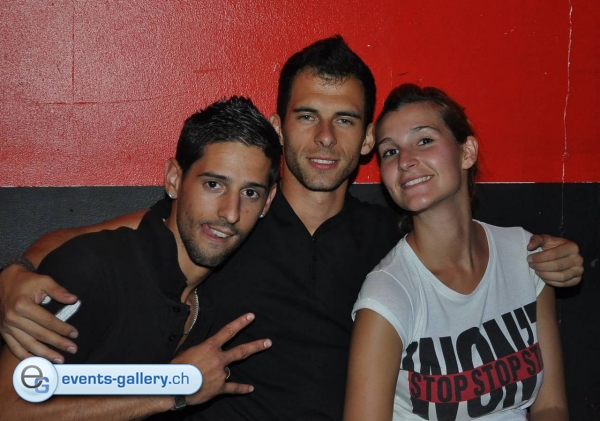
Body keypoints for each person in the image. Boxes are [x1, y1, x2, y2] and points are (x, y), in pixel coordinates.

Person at [0, 37, 582, 420]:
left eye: (344, 120)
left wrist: (552, 255)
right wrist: (14, 276)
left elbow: (478, 260)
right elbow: (69, 247)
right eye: (307, 116)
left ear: (366, 138)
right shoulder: (232, 218)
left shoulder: (394, 239)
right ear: (279, 127)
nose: (325, 138)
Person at [0, 96, 282, 420]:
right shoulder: (94, 271)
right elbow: (9, 407)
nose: (231, 213)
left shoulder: (225, 281)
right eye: (213, 184)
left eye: (250, 193)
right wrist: (172, 387)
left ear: (267, 202)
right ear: (174, 179)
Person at [344, 84, 567, 420]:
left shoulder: (525, 254)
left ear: (467, 152)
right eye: (390, 151)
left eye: (424, 140)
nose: (405, 161)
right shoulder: (388, 294)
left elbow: (550, 406)